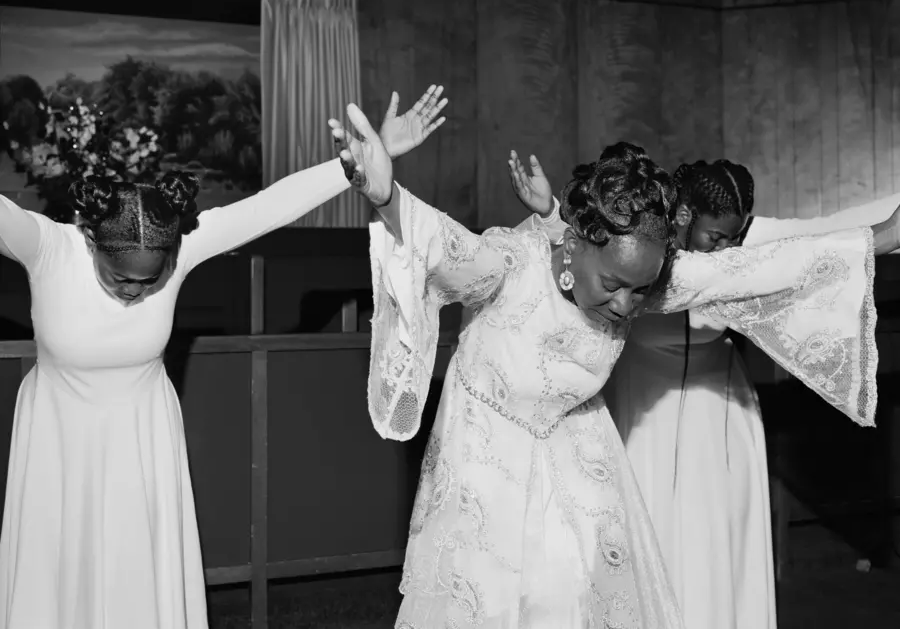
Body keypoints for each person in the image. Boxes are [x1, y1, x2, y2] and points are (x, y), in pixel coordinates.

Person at [332, 104, 894, 628]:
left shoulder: (644, 278)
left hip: (576, 452)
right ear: (576, 244)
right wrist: (387, 198)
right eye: (614, 285)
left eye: (641, 289)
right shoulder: (507, 264)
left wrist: (888, 235)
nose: (627, 305)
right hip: (485, 456)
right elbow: (446, 249)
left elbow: (758, 270)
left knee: (577, 599)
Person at [0, 86, 447, 629]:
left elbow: (265, 209)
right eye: (120, 278)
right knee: (58, 577)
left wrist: (355, 164)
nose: (135, 292)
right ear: (91, 241)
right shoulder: (48, 247)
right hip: (57, 441)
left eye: (149, 279)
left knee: (135, 579)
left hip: (142, 442)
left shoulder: (181, 247)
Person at [509, 152, 777, 629]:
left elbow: (807, 247)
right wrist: (549, 212)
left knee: (711, 538)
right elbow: (579, 256)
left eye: (733, 239)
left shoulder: (725, 262)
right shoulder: (646, 262)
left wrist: (878, 236)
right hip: (643, 407)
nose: (724, 250)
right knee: (644, 531)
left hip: (717, 416)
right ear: (686, 217)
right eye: (715, 237)